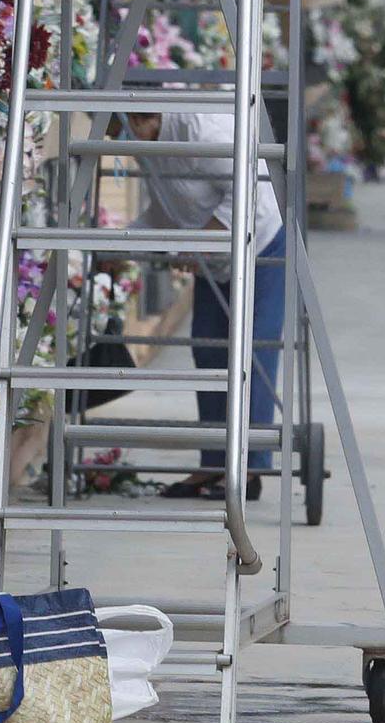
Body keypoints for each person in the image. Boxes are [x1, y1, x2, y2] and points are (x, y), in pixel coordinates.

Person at [118, 110, 284, 500]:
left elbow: (248, 194)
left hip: (261, 248)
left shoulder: (205, 132)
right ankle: (213, 463)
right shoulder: (150, 145)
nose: (116, 141)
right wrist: (117, 246)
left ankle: (247, 468)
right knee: (209, 353)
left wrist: (196, 242)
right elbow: (164, 213)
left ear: (144, 119)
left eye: (117, 128)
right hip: (215, 259)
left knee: (253, 353)